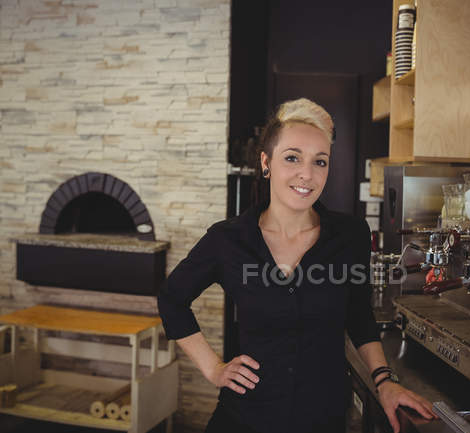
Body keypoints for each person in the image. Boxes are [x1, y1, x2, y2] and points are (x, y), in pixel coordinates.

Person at [157, 98, 436, 433]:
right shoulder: (228, 240)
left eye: (320, 161)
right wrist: (213, 368)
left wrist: (384, 381)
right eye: (292, 158)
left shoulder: (349, 236)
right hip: (246, 419)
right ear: (266, 162)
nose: (307, 174)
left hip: (323, 419)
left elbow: (358, 315)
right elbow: (173, 299)